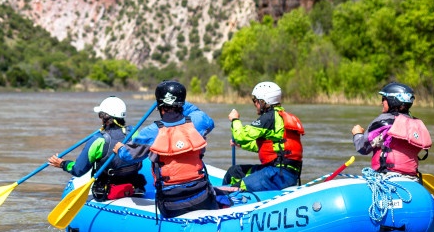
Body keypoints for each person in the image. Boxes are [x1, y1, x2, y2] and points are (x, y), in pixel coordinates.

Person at [112, 80, 217, 218]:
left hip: (170, 205)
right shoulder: (198, 121)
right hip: (202, 198)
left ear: (160, 107)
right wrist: (178, 99)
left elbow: (128, 156)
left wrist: (120, 149)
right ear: (182, 103)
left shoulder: (150, 132)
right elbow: (202, 116)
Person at [48, 96, 145, 201]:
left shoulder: (99, 139)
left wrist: (62, 164)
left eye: (100, 115)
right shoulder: (134, 132)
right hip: (133, 187)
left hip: (106, 191)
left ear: (104, 117)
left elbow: (78, 170)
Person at [223, 81, 304, 191]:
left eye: (255, 101)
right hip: (285, 173)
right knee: (234, 172)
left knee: (235, 188)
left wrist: (235, 120)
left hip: (278, 174)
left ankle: (223, 202)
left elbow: (240, 136)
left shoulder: (269, 118)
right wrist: (241, 145)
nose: (255, 104)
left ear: (264, 101)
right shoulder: (280, 117)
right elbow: (268, 148)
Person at [351, 82, 432, 176]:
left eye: (383, 99)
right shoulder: (415, 123)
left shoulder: (383, 121)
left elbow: (362, 147)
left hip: (386, 175)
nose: (381, 102)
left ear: (392, 101)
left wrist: (357, 134)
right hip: (411, 176)